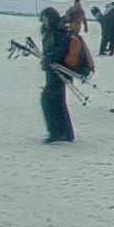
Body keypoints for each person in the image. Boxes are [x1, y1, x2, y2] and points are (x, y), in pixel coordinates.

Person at [38, 8, 75, 143]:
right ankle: (65, 133)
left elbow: (61, 50)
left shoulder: (58, 32)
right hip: (54, 72)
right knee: (57, 102)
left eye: (45, 19)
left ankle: (57, 132)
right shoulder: (52, 31)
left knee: (49, 101)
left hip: (59, 73)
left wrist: (49, 57)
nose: (44, 22)